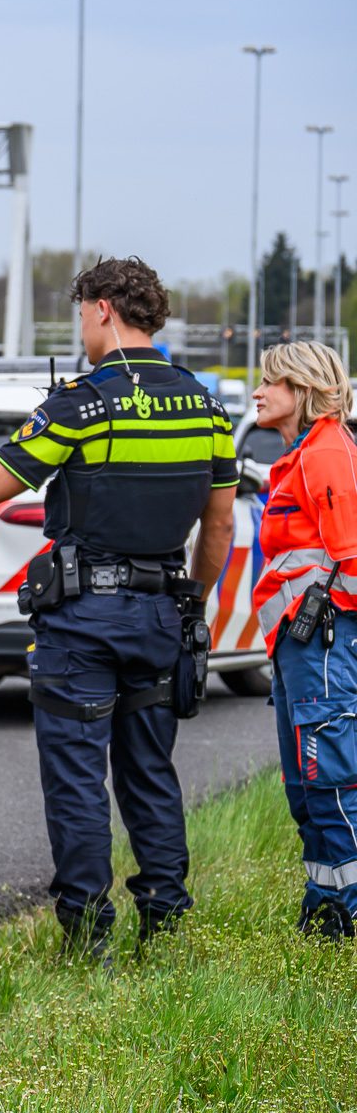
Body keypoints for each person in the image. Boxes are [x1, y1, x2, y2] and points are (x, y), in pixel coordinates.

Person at [0, 256, 236, 957]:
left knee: (77, 776)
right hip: (163, 614)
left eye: (81, 316)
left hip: (84, 621)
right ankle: (165, 924)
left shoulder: (82, 403)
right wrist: (192, 603)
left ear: (101, 309)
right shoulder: (206, 405)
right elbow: (217, 527)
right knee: (150, 769)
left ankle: (88, 933)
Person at [248, 341, 357, 938]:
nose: (258, 392)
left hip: (324, 644)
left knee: (332, 779)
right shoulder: (302, 456)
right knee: (306, 785)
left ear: (304, 389)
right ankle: (325, 905)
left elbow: (352, 557)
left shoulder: (327, 455)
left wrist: (324, 613)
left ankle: (350, 907)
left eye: (271, 383)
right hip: (302, 644)